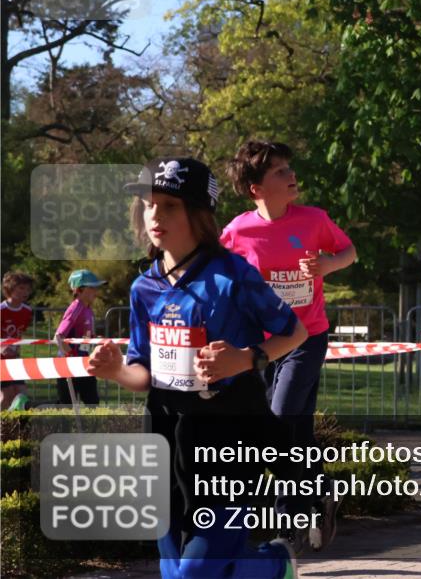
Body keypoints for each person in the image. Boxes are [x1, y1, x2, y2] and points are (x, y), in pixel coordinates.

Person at [87, 156, 308, 579]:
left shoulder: (232, 275)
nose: (156, 215)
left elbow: (294, 332)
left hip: (227, 442)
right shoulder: (143, 288)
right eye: (150, 205)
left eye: (170, 205)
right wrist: (115, 370)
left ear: (199, 213)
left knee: (194, 573)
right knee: (179, 576)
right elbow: (143, 375)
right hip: (166, 443)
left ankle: (276, 561)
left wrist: (246, 358)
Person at [221, 140, 355, 551]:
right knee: (295, 432)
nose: (290, 175)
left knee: (279, 419)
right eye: (278, 171)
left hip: (307, 337)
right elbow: (220, 275)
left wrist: (328, 264)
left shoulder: (313, 219)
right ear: (255, 188)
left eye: (289, 168)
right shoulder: (238, 230)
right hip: (265, 345)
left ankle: (287, 520)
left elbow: (349, 251)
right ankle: (319, 496)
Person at [54, 269, 105, 405]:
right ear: (79, 290)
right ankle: (26, 406)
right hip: (69, 364)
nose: (96, 291)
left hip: (84, 362)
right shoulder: (76, 307)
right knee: (65, 407)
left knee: (92, 403)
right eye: (92, 288)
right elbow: (59, 336)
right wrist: (70, 355)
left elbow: (84, 336)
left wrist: (96, 339)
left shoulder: (87, 308)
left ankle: (89, 427)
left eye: (96, 287)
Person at [1, 271, 34, 410]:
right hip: (0, 360)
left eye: (27, 289)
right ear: (9, 288)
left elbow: (20, 332)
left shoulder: (27, 311)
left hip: (14, 359)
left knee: (22, 393)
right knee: (6, 395)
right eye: (21, 288)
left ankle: (15, 426)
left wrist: (16, 347)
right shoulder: (1, 310)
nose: (25, 292)